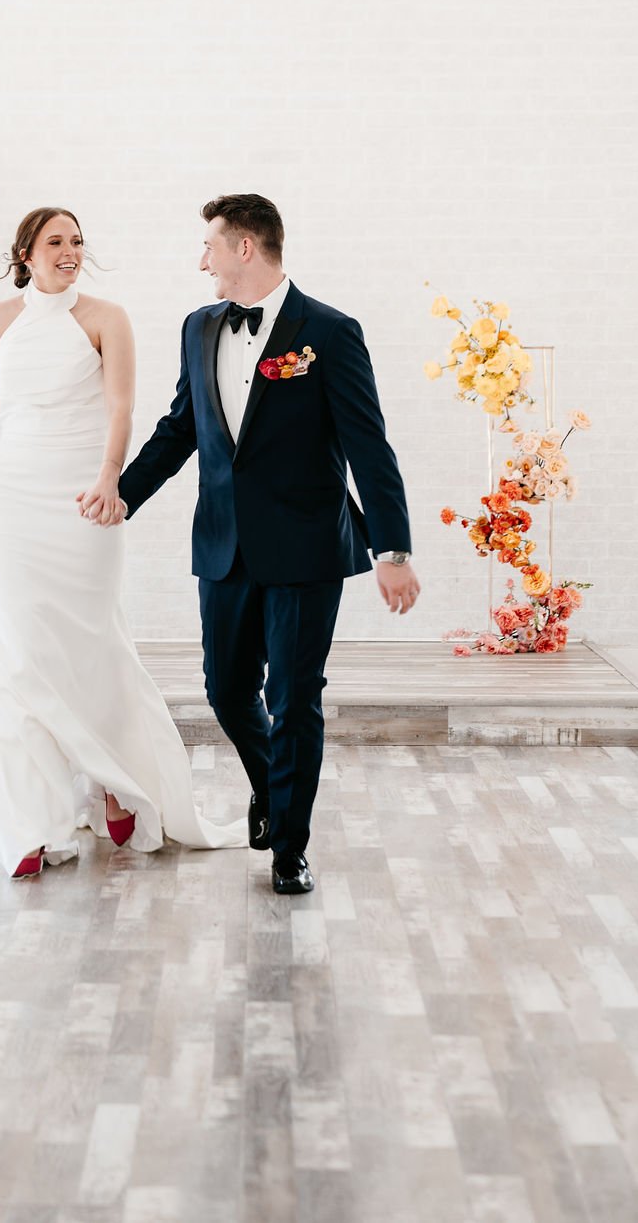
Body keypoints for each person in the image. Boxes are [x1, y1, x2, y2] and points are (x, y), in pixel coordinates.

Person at [109, 194, 419, 895]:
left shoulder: (330, 333)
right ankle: (271, 790)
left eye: (210, 247)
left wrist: (391, 550)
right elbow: (181, 427)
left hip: (308, 545)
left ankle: (290, 847)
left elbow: (370, 446)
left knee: (295, 695)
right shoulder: (198, 327)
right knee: (225, 687)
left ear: (245, 247)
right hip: (223, 543)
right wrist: (122, 493)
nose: (202, 261)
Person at [0, 206, 246, 878]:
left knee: (89, 642)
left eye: (77, 241)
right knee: (18, 655)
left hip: (82, 501)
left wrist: (110, 479)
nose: (71, 251)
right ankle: (33, 826)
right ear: (26, 252)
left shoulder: (106, 318)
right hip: (12, 499)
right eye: (56, 242)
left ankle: (117, 779)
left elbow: (122, 406)